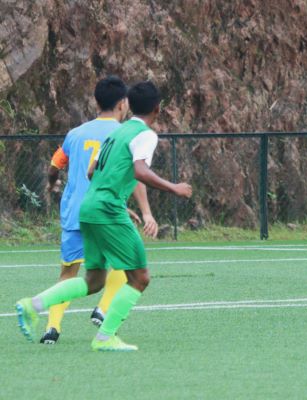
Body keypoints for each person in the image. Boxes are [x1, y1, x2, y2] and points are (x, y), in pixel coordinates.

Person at [16, 80, 193, 351]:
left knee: (94, 280)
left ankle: (32, 305)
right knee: (140, 277)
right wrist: (174, 188)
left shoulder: (115, 134)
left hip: (88, 208)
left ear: (129, 105)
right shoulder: (145, 135)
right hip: (109, 209)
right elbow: (140, 172)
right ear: (158, 109)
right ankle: (105, 336)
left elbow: (90, 171)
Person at [42, 75, 158, 344]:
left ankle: (52, 328)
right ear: (122, 104)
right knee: (125, 263)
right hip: (104, 210)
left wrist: (52, 184)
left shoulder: (75, 134)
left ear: (96, 101)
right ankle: (103, 308)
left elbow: (55, 164)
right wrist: (144, 211)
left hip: (74, 213)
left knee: (68, 273)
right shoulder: (122, 133)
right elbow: (136, 174)